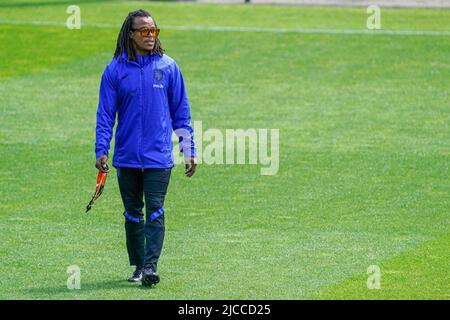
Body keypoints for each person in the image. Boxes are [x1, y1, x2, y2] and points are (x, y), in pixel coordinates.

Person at [94, 9, 197, 287]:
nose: (150, 36)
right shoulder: (115, 69)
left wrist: (189, 149)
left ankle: (151, 267)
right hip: (126, 158)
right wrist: (101, 149)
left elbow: (181, 113)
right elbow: (105, 115)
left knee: (155, 211)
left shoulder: (168, 67)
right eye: (144, 31)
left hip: (158, 158)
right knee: (132, 214)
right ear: (131, 34)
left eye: (154, 31)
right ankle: (138, 266)